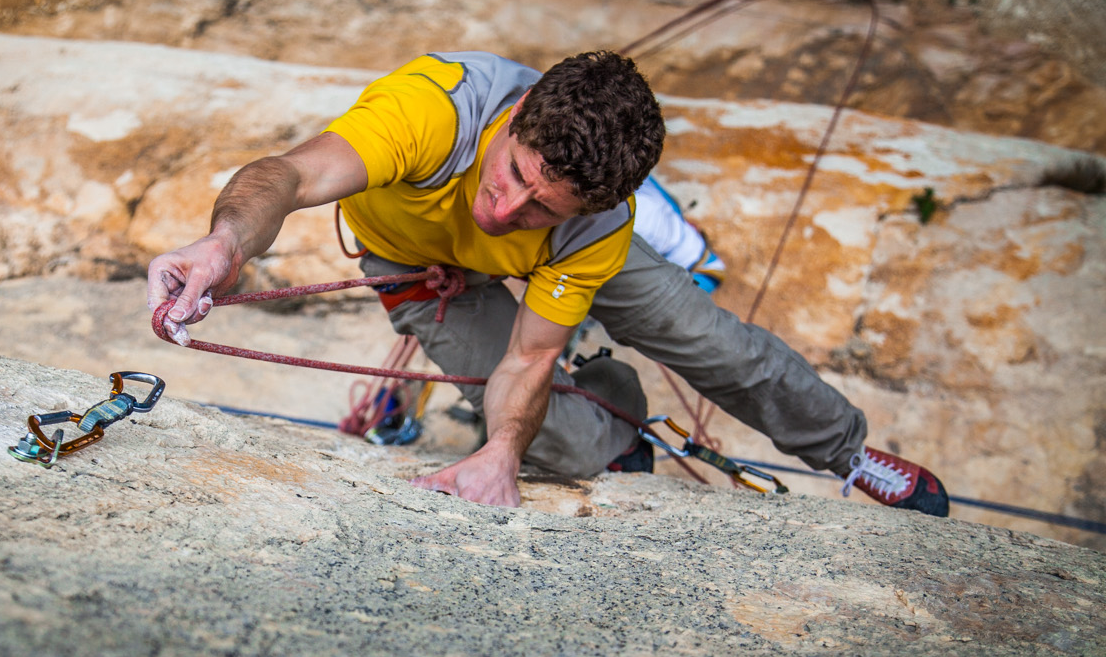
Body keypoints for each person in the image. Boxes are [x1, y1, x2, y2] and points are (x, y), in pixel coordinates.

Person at [146, 51, 948, 515]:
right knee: (563, 446)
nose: (507, 209)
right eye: (514, 174)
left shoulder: (593, 220)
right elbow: (287, 175)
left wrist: (498, 449)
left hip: (561, 265)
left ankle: (846, 451)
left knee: (714, 343)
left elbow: (529, 360)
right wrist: (225, 244)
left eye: (541, 206)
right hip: (418, 265)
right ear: (520, 112)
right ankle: (620, 410)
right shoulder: (433, 110)